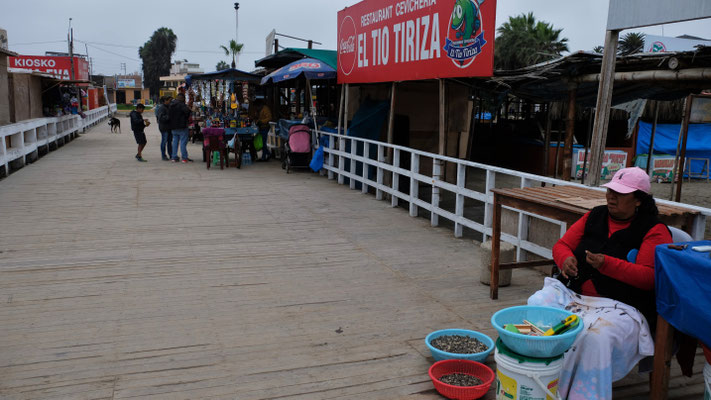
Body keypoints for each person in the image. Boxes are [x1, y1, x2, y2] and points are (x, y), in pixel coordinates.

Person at [528, 167, 672, 399]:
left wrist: (607, 264)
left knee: (595, 336)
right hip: (575, 295)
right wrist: (565, 260)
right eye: (610, 190)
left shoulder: (654, 230)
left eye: (621, 193)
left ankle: (582, 393)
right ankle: (539, 375)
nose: (611, 196)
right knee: (537, 304)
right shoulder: (595, 215)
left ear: (638, 200)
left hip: (622, 307)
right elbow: (561, 245)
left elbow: (648, 278)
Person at [169, 93, 193, 163]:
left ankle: (174, 157)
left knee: (175, 142)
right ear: (182, 98)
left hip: (173, 126)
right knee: (183, 142)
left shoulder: (171, 105)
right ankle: (184, 158)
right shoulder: (182, 105)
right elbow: (187, 112)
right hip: (182, 126)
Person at [155, 96, 173, 161]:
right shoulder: (161, 108)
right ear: (165, 100)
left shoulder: (169, 107)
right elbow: (161, 118)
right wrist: (170, 117)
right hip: (164, 127)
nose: (171, 102)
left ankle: (171, 154)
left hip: (169, 127)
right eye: (170, 101)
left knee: (169, 142)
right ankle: (163, 155)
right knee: (164, 141)